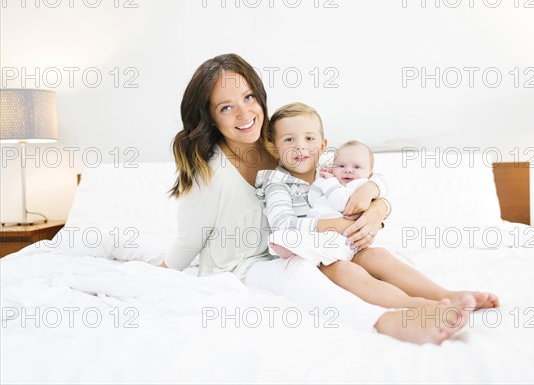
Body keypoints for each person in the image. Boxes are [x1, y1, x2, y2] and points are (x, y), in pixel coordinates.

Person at [162, 53, 474, 345]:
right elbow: (187, 243)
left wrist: (377, 208)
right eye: (226, 107)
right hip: (241, 264)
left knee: (373, 256)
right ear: (210, 117)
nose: (245, 113)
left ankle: (444, 296)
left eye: (249, 97)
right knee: (301, 271)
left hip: (302, 245)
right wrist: (158, 271)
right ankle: (390, 320)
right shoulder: (209, 173)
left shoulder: (280, 145)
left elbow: (353, 170)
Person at [255, 102, 500, 310]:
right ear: (274, 148)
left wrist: (373, 196)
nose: (300, 146)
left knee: (379, 256)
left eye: (309, 138)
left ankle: (446, 294)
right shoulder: (277, 183)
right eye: (289, 139)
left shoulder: (334, 169)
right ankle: (417, 306)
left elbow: (374, 178)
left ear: (322, 144)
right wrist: (339, 225)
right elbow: (283, 225)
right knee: (345, 272)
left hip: (347, 244)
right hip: (310, 254)